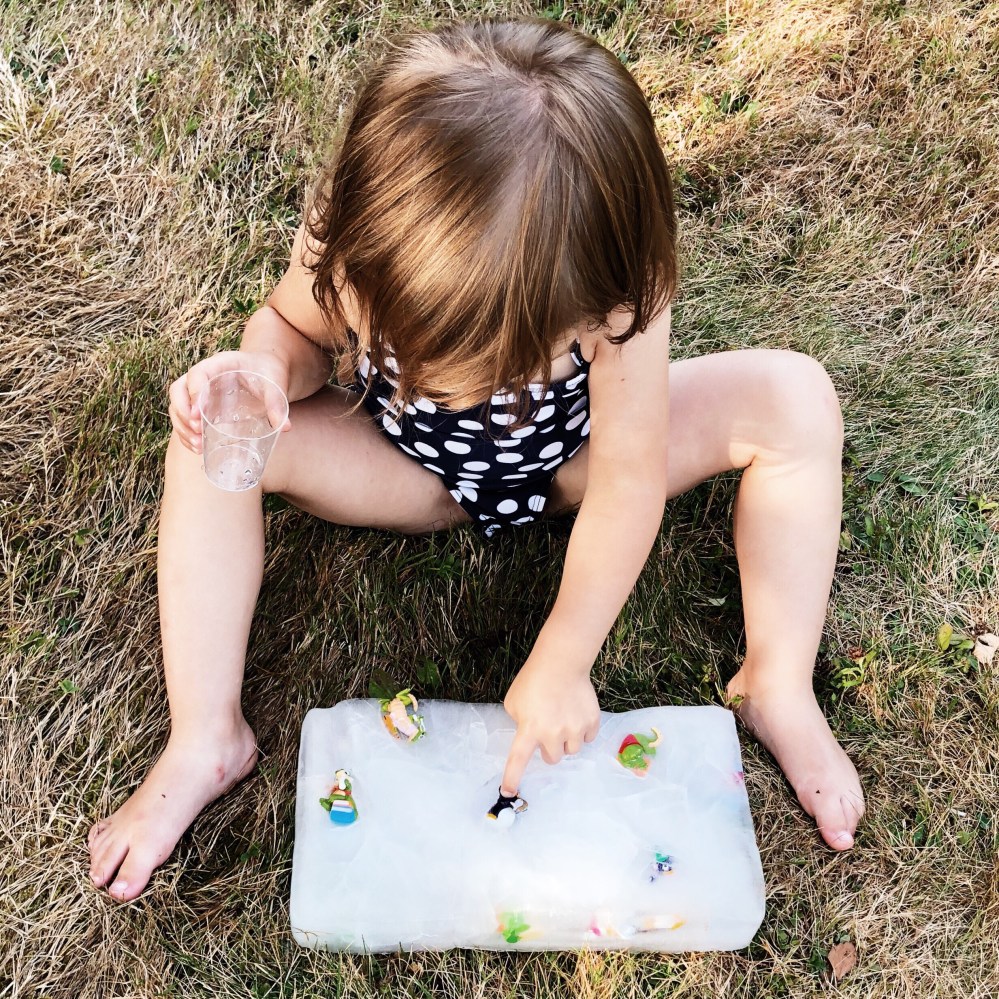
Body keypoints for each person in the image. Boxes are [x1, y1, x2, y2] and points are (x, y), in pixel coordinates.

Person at [87, 15, 865, 903]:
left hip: (569, 464)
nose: (456, 386)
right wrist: (265, 370)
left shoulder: (622, 295)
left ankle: (776, 681)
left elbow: (627, 481)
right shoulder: (358, 227)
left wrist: (563, 658)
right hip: (406, 467)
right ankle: (204, 736)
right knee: (209, 444)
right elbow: (291, 329)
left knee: (794, 399)